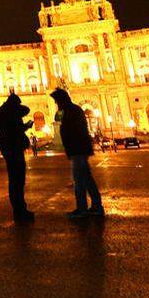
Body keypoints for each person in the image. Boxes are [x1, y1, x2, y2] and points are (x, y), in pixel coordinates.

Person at [51, 88, 104, 218]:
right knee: (85, 179)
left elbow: (74, 131)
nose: (57, 104)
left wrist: (72, 146)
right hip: (78, 149)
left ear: (62, 100)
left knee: (80, 180)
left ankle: (83, 209)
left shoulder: (71, 111)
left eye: (57, 102)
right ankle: (95, 206)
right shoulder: (73, 110)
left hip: (78, 150)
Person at [0, 94, 35, 222]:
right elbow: (25, 112)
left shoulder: (3, 112)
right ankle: (20, 211)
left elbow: (24, 110)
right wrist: (26, 126)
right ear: (14, 104)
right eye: (17, 104)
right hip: (13, 148)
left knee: (15, 181)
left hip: (9, 148)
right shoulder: (9, 113)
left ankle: (20, 210)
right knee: (17, 180)